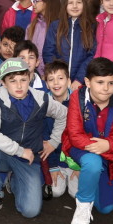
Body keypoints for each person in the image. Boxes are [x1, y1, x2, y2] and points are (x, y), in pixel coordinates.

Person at [0, 58, 67, 220]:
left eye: (23, 80)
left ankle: (15, 180)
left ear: (30, 78)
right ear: (4, 83)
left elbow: (64, 115)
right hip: (5, 153)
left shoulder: (42, 99)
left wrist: (54, 142)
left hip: (29, 159)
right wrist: (19, 150)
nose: (19, 86)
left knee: (30, 211)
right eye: (12, 81)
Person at [61, 58, 113, 224]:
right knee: (92, 162)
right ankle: (83, 205)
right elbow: (75, 136)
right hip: (79, 148)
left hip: (105, 150)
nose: (106, 88)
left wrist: (108, 145)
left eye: (111, 82)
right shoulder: (77, 97)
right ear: (87, 82)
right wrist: (111, 154)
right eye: (100, 82)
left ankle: (89, 178)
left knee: (106, 209)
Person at [43, 0, 96, 92]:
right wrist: (59, 77)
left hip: (81, 83)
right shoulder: (55, 26)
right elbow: (48, 52)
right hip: (58, 83)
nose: (75, 6)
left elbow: (92, 55)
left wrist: (79, 79)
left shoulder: (91, 27)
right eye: (70, 3)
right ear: (65, 5)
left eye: (79, 2)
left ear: (84, 4)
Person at [42, 60, 77, 198]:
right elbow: (46, 141)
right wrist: (53, 165)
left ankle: (73, 168)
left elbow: (83, 136)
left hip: (74, 157)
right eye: (51, 79)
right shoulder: (44, 104)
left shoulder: (78, 102)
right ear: (46, 84)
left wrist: (78, 165)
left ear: (68, 81)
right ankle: (59, 168)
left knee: (76, 193)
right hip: (56, 156)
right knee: (56, 192)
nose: (56, 83)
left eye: (60, 78)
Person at [26, 0, 60, 75]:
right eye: (33, 1)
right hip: (34, 72)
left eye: (36, 1)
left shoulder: (59, 26)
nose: (33, 4)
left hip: (53, 72)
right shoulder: (31, 26)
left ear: (47, 3)